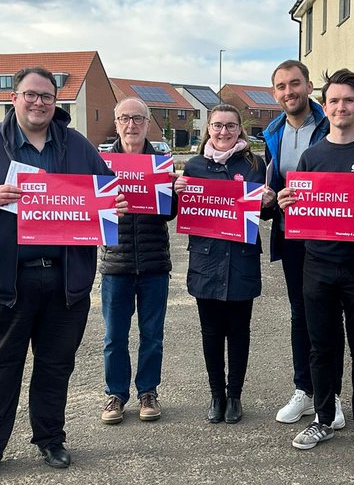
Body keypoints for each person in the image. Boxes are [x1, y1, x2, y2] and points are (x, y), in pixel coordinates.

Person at [0, 66, 122, 481]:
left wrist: (114, 206)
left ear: (56, 102)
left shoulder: (76, 146)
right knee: (0, 366)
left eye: (47, 97)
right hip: (5, 278)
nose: (39, 103)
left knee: (55, 365)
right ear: (14, 99)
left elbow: (107, 190)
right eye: (31, 95)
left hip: (64, 278)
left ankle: (50, 439)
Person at [277, 69, 354, 455]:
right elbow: (300, 210)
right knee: (321, 346)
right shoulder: (312, 155)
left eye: (348, 100)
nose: (341, 107)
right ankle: (323, 418)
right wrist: (288, 203)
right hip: (318, 264)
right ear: (325, 105)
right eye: (334, 100)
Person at [177, 105, 276, 424]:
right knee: (210, 332)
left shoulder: (254, 164)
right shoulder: (194, 165)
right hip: (205, 260)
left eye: (230, 126)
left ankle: (234, 396)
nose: (224, 131)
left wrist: (269, 202)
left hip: (241, 259)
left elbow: (265, 214)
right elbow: (182, 211)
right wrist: (177, 193)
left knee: (239, 331)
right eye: (217, 125)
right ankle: (216, 395)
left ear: (239, 129)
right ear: (208, 128)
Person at [99, 97, 177, 424]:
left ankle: (148, 391)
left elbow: (170, 213)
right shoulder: (101, 165)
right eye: (124, 118)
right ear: (116, 123)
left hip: (154, 262)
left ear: (148, 123)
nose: (131, 125)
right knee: (114, 337)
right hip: (115, 263)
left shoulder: (162, 164)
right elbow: (89, 210)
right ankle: (115, 395)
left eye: (138, 119)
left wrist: (175, 190)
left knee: (152, 335)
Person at [262, 61, 330, 426]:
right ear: (274, 93)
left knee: (329, 315)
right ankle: (304, 390)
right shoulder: (273, 132)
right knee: (300, 313)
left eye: (295, 83)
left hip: (329, 237)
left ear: (308, 86)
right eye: (281, 86)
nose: (289, 91)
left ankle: (330, 395)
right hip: (291, 236)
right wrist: (269, 200)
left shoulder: (329, 123)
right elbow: (270, 186)